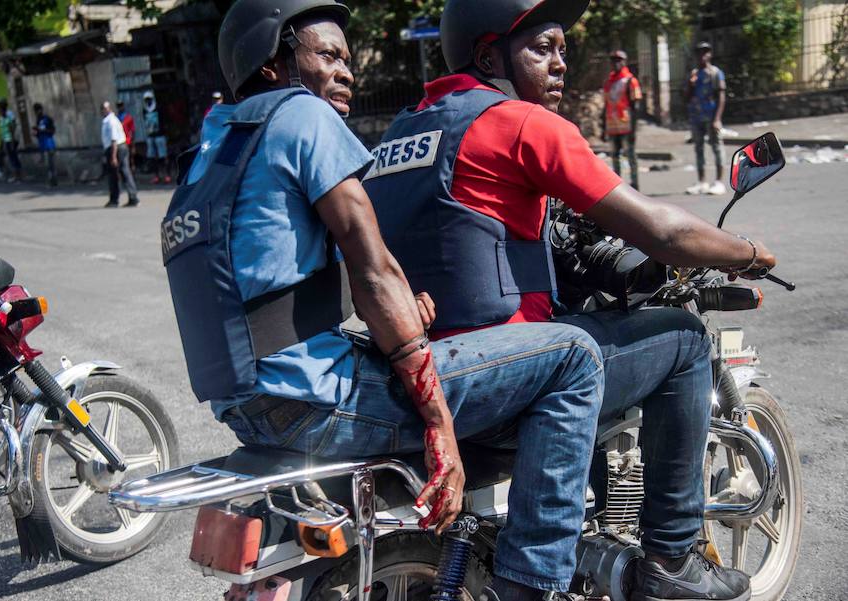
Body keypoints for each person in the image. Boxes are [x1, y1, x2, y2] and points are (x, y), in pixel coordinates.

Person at [167, 1, 607, 587]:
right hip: (318, 401)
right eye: (327, 56)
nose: (347, 72)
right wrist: (439, 425)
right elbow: (373, 269)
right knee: (574, 354)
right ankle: (533, 582)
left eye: (347, 59)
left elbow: (273, 281)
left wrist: (397, 313)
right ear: (273, 62)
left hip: (249, 406)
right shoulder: (304, 117)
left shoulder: (215, 144)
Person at [364, 1, 776, 600]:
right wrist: (748, 250)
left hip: (432, 380)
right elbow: (659, 230)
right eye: (542, 48)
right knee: (682, 340)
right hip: (514, 383)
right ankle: (671, 556)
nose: (561, 63)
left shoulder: (401, 132)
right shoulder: (521, 123)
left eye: (563, 49)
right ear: (489, 56)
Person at [685, 42, 727, 196]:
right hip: (696, 117)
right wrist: (690, 85)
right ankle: (702, 182)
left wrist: (717, 118)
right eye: (699, 52)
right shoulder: (694, 74)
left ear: (710, 54)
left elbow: (721, 97)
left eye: (705, 52)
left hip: (711, 116)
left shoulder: (716, 73)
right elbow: (687, 97)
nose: (702, 55)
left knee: (717, 147)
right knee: (699, 149)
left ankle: (719, 182)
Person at [602, 50, 642, 190]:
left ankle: (635, 184)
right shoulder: (609, 82)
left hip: (626, 125)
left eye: (619, 60)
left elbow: (635, 106)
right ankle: (618, 186)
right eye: (614, 60)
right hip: (612, 125)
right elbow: (605, 104)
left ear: (624, 62)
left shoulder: (630, 80)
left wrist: (634, 128)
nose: (616, 63)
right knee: (615, 156)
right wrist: (603, 127)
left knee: (630, 155)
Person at [100, 101, 139, 208]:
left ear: (109, 109)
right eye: (103, 109)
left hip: (116, 148)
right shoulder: (108, 120)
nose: (103, 111)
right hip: (118, 148)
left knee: (117, 174)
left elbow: (114, 140)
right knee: (121, 172)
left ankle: (118, 199)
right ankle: (129, 197)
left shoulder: (111, 121)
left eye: (105, 108)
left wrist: (113, 156)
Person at [142, 91, 171, 184]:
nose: (148, 101)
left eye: (149, 99)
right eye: (146, 100)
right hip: (150, 136)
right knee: (153, 158)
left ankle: (166, 175)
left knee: (163, 156)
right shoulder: (145, 110)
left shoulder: (158, 108)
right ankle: (157, 176)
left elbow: (164, 120)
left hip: (160, 135)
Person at [0, 98, 22, 182]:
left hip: (11, 139)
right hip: (6, 139)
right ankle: (16, 173)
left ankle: (17, 175)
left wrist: (12, 140)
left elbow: (12, 127)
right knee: (11, 156)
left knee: (12, 156)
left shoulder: (9, 114)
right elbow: (2, 130)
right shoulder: (1, 117)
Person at [32, 103, 58, 186]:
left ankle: (53, 181)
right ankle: (51, 180)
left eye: (37, 110)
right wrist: (36, 132)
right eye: (35, 111)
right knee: (47, 165)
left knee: (50, 164)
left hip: (49, 144)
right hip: (42, 145)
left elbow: (52, 131)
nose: (37, 113)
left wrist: (41, 130)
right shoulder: (38, 121)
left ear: (40, 110)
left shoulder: (47, 119)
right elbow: (38, 134)